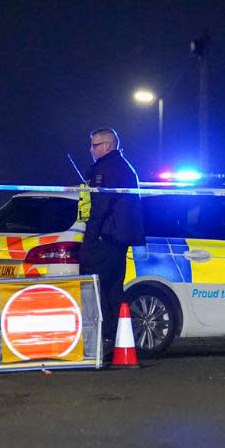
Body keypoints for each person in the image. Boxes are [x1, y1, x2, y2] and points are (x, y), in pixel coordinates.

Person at [78, 128, 144, 346]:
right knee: (115, 290)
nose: (91, 149)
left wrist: (89, 239)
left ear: (107, 145)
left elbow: (100, 206)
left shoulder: (106, 168)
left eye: (95, 145)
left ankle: (103, 340)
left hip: (107, 238)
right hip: (120, 239)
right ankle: (119, 341)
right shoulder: (124, 166)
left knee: (98, 288)